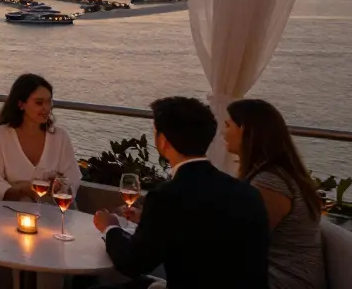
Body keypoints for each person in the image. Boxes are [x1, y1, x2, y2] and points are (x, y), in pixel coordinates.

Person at [92, 96, 270, 289]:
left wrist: (111, 228)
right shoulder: (248, 193)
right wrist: (150, 220)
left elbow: (133, 263)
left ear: (163, 141)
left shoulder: (167, 197)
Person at [225, 99, 325, 289]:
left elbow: (243, 242)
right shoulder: (274, 174)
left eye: (228, 125)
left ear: (245, 130)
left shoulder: (269, 183)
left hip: (285, 280)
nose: (223, 132)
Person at [0, 73, 81, 201]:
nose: (46, 108)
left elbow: (73, 178)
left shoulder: (59, 137)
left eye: (49, 102)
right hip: (10, 212)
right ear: (21, 104)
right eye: (39, 103)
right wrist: (20, 190)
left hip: (54, 213)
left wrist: (58, 185)